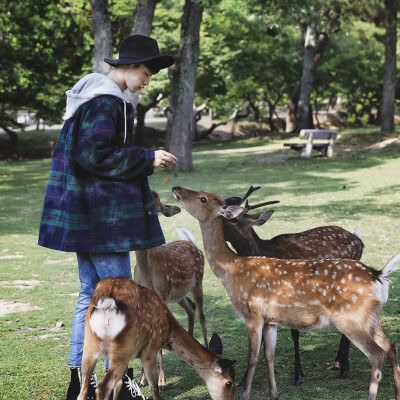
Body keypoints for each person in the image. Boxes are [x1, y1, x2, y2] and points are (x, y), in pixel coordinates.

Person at [38, 35, 178, 400]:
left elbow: (93, 156)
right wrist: (148, 158)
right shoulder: (105, 102)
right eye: (146, 72)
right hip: (102, 218)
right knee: (121, 298)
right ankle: (119, 382)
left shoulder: (95, 98)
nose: (147, 81)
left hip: (88, 215)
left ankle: (78, 382)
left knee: (90, 295)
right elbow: (95, 154)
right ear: (128, 67)